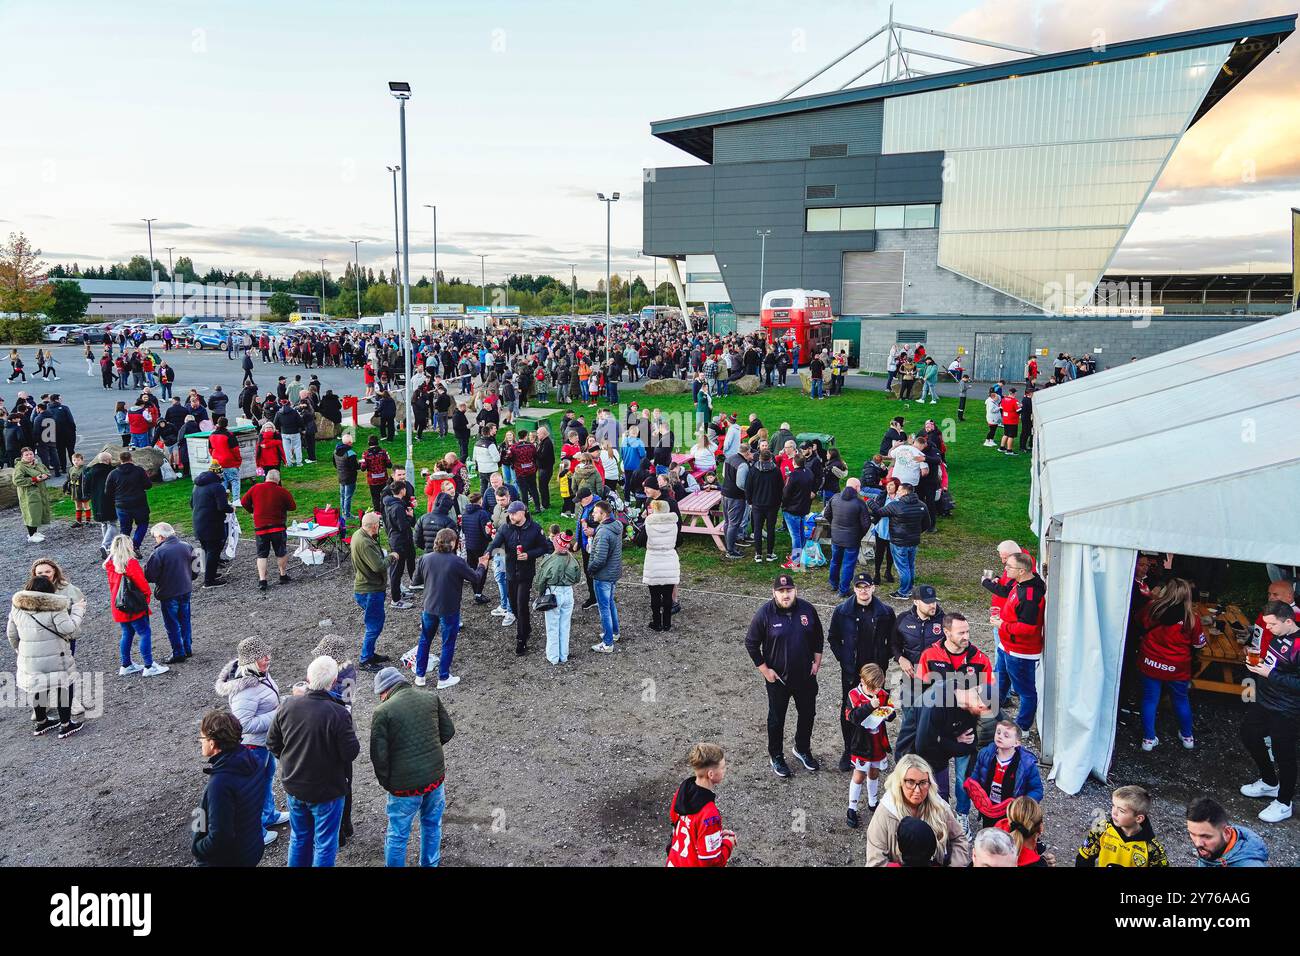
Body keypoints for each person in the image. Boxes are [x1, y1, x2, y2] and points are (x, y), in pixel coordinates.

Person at [266, 655, 360, 867]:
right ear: (333, 681)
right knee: (325, 844)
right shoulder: (338, 713)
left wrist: (292, 760)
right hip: (327, 792)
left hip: (294, 786)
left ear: (308, 677)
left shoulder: (288, 705)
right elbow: (350, 753)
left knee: (299, 839)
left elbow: (272, 743)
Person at [370, 666, 456, 867]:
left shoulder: (383, 711)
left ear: (385, 690)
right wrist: (429, 749)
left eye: (379, 694)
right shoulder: (430, 698)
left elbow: (379, 757)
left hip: (404, 788)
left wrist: (387, 782)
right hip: (435, 780)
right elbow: (448, 731)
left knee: (398, 835)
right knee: (432, 825)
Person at [744, 573, 824, 778]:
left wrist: (817, 662)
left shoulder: (807, 609)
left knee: (808, 714)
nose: (785, 594)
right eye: (781, 591)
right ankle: (776, 755)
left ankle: (802, 749)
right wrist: (765, 670)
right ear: (774, 593)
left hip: (806, 676)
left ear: (795, 590)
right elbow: (751, 644)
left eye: (789, 590)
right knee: (776, 718)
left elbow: (818, 637)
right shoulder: (764, 614)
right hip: (778, 679)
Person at [213, 636, 290, 847]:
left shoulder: (259, 673)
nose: (267, 659)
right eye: (262, 656)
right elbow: (244, 724)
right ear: (251, 660)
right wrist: (277, 713)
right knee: (252, 790)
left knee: (265, 779)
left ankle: (269, 815)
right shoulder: (245, 689)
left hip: (263, 743)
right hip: (253, 745)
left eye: (267, 654)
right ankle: (256, 832)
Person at [914, 613, 993, 805]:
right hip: (938, 733)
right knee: (937, 777)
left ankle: (963, 814)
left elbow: (991, 697)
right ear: (946, 632)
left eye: (968, 631)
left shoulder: (980, 659)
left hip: (965, 730)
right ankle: (941, 813)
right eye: (961, 633)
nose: (966, 636)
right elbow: (917, 696)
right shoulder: (929, 656)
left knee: (963, 778)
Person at [829, 572, 896, 771]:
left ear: (873, 588)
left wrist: (884, 659)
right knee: (849, 710)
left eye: (866, 587)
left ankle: (875, 748)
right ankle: (849, 749)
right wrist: (844, 660)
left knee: (877, 707)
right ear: (855, 589)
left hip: (875, 673)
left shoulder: (885, 612)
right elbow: (833, 638)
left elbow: (893, 640)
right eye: (859, 587)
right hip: (851, 672)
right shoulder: (842, 611)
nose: (863, 590)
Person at [1240, 600, 1300, 823]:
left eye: (1272, 624)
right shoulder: (1278, 635)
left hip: (1287, 709)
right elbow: (1277, 663)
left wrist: (1269, 674)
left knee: (1284, 753)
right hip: (1265, 701)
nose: (1268, 629)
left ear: (1288, 621)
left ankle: (1284, 802)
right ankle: (1269, 782)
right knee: (1248, 734)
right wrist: (1259, 664)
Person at [8, 573, 83, 738]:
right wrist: (78, 612)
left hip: (29, 658)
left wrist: (20, 651)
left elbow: (11, 634)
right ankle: (66, 725)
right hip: (56, 656)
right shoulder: (55, 606)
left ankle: (41, 722)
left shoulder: (17, 606)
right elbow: (68, 629)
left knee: (38, 685)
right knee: (63, 685)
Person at [411, 528, 489, 689]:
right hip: (449, 608)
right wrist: (482, 565)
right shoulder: (456, 561)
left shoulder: (425, 558)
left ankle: (420, 675)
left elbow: (415, 580)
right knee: (447, 642)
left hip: (429, 607)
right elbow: (475, 578)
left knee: (425, 640)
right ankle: (443, 677)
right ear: (453, 543)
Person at [1135, 577, 1205, 751]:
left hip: (1150, 663)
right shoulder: (1192, 618)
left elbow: (1137, 622)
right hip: (1177, 668)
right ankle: (1187, 736)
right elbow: (1199, 644)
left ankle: (1148, 740)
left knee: (1150, 699)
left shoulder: (1151, 608)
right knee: (1181, 700)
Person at [864, 755, 971, 867]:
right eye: (910, 782)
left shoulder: (938, 806)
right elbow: (875, 862)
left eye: (923, 782)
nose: (917, 790)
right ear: (900, 782)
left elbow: (959, 839)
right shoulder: (885, 813)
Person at [192, 709, 267, 867]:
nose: (201, 742)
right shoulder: (253, 760)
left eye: (202, 738)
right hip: (251, 847)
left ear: (212, 743)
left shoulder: (219, 784)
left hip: (231, 859)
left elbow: (220, 836)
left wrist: (197, 848)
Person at [987, 552, 1045, 732]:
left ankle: (1022, 728)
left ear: (1021, 571)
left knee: (1025, 691)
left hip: (1020, 651)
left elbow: (1029, 628)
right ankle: (991, 716)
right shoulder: (1020, 583)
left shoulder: (1030, 595)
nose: (1005, 569)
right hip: (1007, 646)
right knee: (1001, 681)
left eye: (1009, 567)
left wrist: (1002, 624)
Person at [487, 500, 550, 656]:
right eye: (510, 513)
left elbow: (545, 547)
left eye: (514, 513)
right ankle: (526, 627)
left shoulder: (535, 529)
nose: (512, 516)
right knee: (514, 606)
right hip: (510, 572)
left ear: (524, 512)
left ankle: (521, 639)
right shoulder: (505, 528)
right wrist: (486, 555)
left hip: (526, 573)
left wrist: (529, 555)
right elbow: (495, 544)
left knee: (522, 605)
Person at [891, 585, 946, 757]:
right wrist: (901, 658)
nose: (933, 606)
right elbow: (893, 644)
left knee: (933, 719)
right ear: (915, 602)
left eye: (934, 602)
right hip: (910, 679)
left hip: (935, 680)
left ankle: (929, 754)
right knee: (910, 719)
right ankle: (906, 756)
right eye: (928, 602)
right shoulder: (903, 619)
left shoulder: (944, 621)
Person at [105, 533, 167, 677]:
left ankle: (126, 665)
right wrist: (146, 598)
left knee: (127, 633)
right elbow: (142, 584)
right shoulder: (130, 563)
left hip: (118, 604)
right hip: (133, 604)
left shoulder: (110, 563)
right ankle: (149, 666)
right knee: (144, 632)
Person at [665, 742, 737, 867]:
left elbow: (675, 819)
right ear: (711, 774)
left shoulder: (683, 791)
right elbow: (711, 862)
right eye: (723, 767)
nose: (725, 770)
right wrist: (728, 843)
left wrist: (716, 836)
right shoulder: (709, 814)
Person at [843, 663, 893, 828]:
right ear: (862, 682)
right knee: (859, 775)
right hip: (861, 742)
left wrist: (889, 712)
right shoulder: (853, 695)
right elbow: (852, 717)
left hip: (878, 741)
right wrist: (870, 706)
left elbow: (890, 710)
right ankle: (852, 807)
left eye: (879, 688)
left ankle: (873, 801)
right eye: (873, 688)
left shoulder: (883, 694)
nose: (876, 692)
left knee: (874, 772)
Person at [1076, 785, 1168, 867]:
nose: (1114, 813)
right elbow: (1084, 858)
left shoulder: (1152, 849)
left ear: (1139, 818)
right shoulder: (1101, 829)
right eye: (1113, 806)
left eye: (1121, 811)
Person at [866, 481, 930, 599]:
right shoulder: (922, 505)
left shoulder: (896, 505)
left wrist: (869, 502)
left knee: (903, 567)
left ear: (905, 492)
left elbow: (879, 512)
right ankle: (910, 588)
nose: (898, 492)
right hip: (913, 541)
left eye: (899, 490)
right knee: (910, 565)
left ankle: (903, 592)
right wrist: (916, 533)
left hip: (899, 542)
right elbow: (927, 523)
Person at [143, 522, 196, 664]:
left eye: (155, 537)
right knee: (185, 620)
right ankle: (187, 648)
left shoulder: (159, 552)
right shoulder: (187, 546)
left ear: (161, 536)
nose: (155, 540)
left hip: (168, 592)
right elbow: (196, 568)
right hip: (186, 589)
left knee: (172, 624)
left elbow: (149, 576)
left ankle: (178, 652)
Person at [240, 468, 296, 591]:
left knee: (262, 554)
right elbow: (293, 506)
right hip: (278, 527)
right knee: (280, 552)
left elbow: (243, 501)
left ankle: (262, 580)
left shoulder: (255, 488)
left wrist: (252, 511)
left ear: (266, 478)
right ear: (278, 479)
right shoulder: (282, 491)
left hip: (261, 527)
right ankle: (282, 575)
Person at [350, 511, 392, 671]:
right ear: (374, 526)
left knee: (374, 623)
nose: (379, 528)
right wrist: (392, 557)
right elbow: (378, 566)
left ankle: (370, 654)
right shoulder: (366, 543)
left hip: (365, 587)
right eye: (379, 525)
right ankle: (365, 659)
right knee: (374, 625)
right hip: (370, 590)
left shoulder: (357, 535)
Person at [535, 527, 582, 665]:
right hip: (568, 593)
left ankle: (553, 657)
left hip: (553, 594)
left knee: (552, 626)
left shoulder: (549, 561)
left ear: (556, 544)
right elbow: (577, 578)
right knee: (565, 625)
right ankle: (564, 655)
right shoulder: (573, 560)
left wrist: (541, 593)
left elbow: (540, 581)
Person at [1185, 796, 1268, 867]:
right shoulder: (1213, 851)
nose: (1198, 843)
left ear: (1227, 833)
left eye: (1206, 836)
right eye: (1192, 834)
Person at [586, 500, 624, 653]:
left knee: (604, 609)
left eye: (595, 512)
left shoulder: (603, 532)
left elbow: (600, 559)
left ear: (604, 514)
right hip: (613, 573)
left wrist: (590, 568)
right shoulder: (616, 527)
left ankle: (607, 643)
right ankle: (614, 633)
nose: (593, 514)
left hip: (603, 575)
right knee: (610, 604)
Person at [823, 478, 871, 597]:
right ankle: (843, 590)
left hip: (836, 537)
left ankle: (834, 584)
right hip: (852, 539)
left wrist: (834, 526)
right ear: (856, 487)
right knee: (848, 564)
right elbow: (866, 524)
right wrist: (859, 535)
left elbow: (826, 514)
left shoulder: (835, 498)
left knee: (835, 561)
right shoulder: (859, 503)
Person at [192, 462, 233, 589]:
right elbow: (222, 506)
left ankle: (211, 574)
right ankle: (209, 581)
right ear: (218, 474)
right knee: (214, 551)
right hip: (212, 524)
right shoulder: (217, 487)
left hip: (198, 522)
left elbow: (191, 503)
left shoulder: (197, 486)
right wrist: (231, 509)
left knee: (206, 549)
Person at [642, 499, 680, 632]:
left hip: (653, 559)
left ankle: (657, 622)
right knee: (668, 595)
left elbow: (640, 540)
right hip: (669, 558)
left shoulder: (649, 524)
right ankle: (667, 623)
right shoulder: (674, 524)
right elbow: (679, 541)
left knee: (655, 595)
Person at [382, 481, 417, 610]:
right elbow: (403, 526)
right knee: (397, 571)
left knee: (397, 570)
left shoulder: (391, 504)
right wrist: (410, 517)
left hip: (395, 539)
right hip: (400, 542)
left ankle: (398, 594)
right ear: (402, 490)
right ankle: (395, 600)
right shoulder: (398, 507)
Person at [12, 446, 53, 543]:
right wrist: (34, 479)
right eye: (26, 455)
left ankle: (35, 532)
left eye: (31, 454)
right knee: (30, 512)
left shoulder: (37, 463)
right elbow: (17, 481)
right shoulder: (20, 467)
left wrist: (46, 476)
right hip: (28, 494)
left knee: (37, 512)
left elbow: (46, 471)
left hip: (40, 492)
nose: (29, 456)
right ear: (22, 456)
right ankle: (31, 535)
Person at [82, 450, 117, 558]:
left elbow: (85, 486)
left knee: (103, 523)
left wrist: (87, 496)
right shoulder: (112, 471)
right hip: (109, 499)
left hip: (96, 500)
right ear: (108, 460)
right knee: (112, 522)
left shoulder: (90, 471)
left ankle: (107, 545)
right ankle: (105, 544)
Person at [208, 417, 243, 505]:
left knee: (223, 481)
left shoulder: (212, 435)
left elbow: (210, 449)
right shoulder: (229, 435)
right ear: (227, 425)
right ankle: (236, 499)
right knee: (235, 480)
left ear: (217, 424)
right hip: (230, 461)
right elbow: (235, 450)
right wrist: (238, 460)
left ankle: (224, 500)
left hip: (218, 462)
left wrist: (215, 457)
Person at [362, 435, 393, 513]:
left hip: (372, 480)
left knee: (375, 497)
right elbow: (389, 465)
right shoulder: (384, 452)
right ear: (377, 442)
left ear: (368, 443)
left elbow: (363, 468)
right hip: (383, 479)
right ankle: (386, 511)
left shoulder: (365, 454)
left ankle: (377, 513)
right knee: (385, 495)